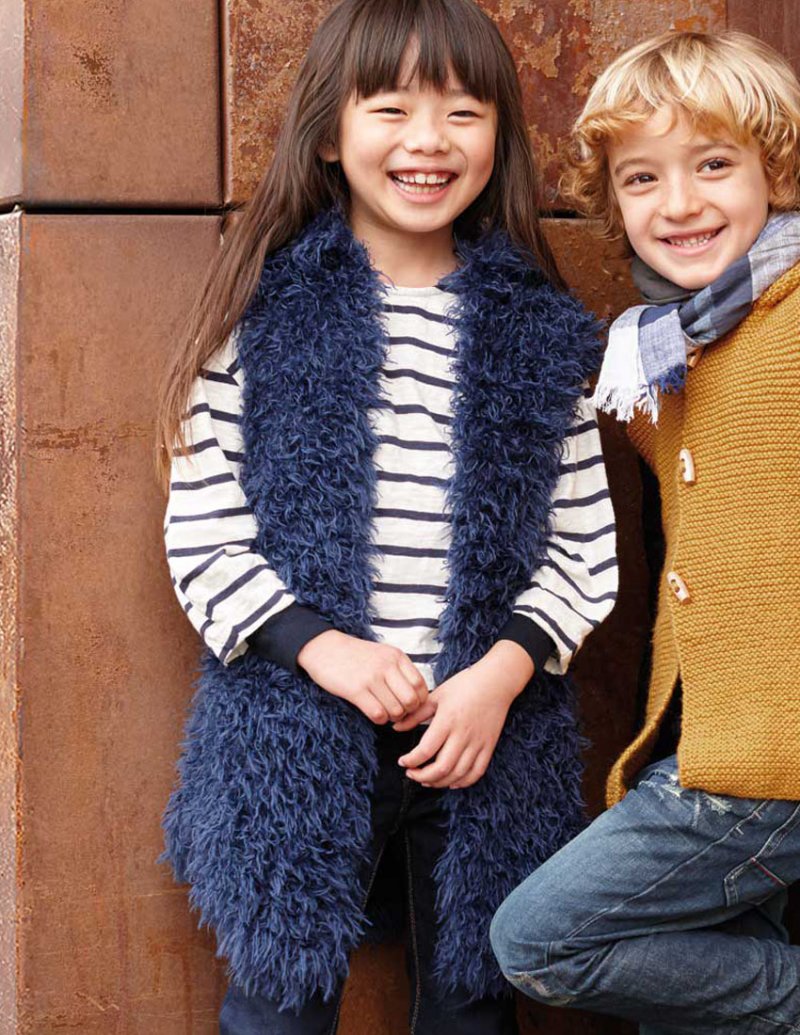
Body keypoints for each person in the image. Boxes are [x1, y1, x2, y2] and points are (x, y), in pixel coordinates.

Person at [158, 1, 617, 1031]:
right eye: (391, 108)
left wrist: (497, 679)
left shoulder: (539, 335)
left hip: (485, 738)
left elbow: (583, 550)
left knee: (473, 1006)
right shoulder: (263, 316)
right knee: (276, 1005)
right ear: (330, 132)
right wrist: (323, 649)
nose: (428, 140)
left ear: (497, 135)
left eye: (462, 111)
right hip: (294, 724)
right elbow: (203, 530)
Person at [490, 28, 800, 1035]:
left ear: (775, 172)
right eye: (641, 178)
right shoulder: (653, 356)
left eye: (712, 165)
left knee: (540, 939)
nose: (678, 203)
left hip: (765, 766)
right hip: (701, 741)